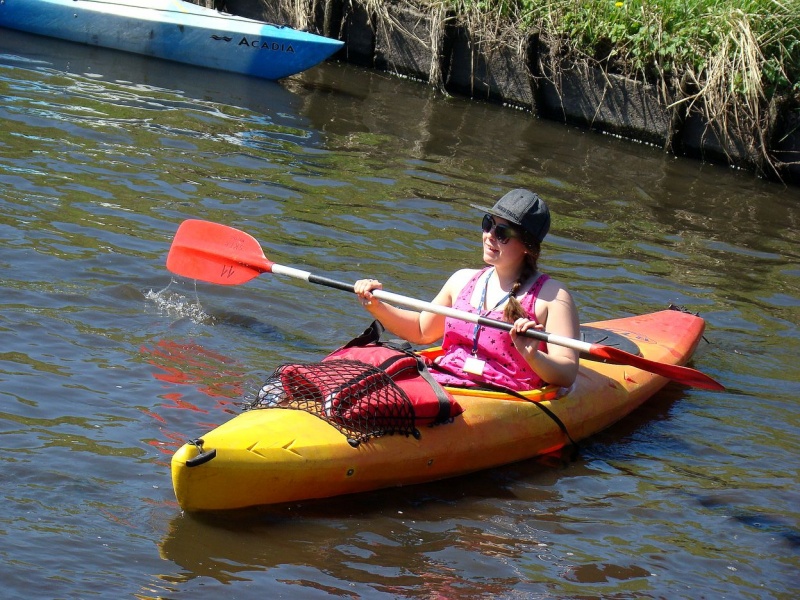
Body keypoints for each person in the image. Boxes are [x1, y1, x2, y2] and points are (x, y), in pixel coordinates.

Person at [354, 189, 580, 391]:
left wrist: (533, 355)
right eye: (488, 224)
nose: (489, 235)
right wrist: (376, 305)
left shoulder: (552, 297)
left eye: (502, 232)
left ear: (527, 246)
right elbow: (422, 331)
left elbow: (567, 373)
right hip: (445, 381)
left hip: (505, 395)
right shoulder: (462, 279)